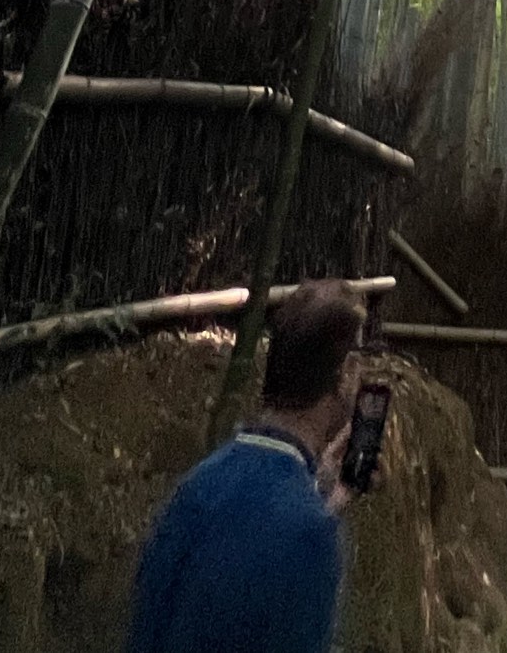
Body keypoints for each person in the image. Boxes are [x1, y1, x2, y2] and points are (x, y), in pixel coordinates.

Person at [124, 280, 366, 653]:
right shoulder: (311, 535)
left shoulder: (197, 487)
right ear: (345, 373)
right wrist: (318, 518)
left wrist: (323, 496)